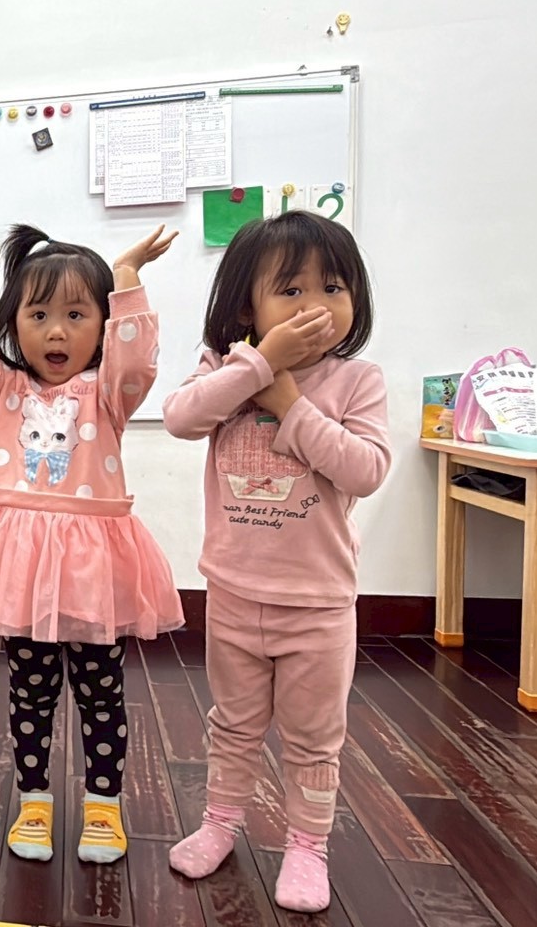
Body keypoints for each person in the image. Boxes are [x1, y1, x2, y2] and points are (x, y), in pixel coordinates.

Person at [0, 224, 184, 865]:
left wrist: (127, 278)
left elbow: (138, 359)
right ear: (13, 324)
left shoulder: (110, 394)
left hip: (93, 573)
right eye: (38, 315)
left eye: (77, 315)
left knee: (101, 693)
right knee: (30, 692)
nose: (57, 332)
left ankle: (103, 808)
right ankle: (34, 801)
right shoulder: (3, 392)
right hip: (21, 571)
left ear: (103, 326)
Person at [160, 210, 390, 913]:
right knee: (232, 723)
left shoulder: (357, 381)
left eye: (332, 287)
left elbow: (365, 469)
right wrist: (258, 365)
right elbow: (181, 417)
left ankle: (307, 846)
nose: (314, 305)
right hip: (233, 594)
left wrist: (289, 401)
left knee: (313, 737)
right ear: (245, 308)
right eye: (290, 290)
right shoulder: (226, 369)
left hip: (318, 604)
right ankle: (220, 823)